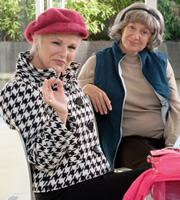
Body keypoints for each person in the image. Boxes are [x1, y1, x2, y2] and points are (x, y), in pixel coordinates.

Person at [0, 8, 147, 200]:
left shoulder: (65, 78)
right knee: (154, 180)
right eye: (56, 43)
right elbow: (43, 160)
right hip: (64, 190)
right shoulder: (18, 90)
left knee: (162, 176)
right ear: (36, 39)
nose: (64, 53)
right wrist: (61, 114)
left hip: (95, 179)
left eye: (71, 47)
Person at [77, 2, 180, 170]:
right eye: (132, 27)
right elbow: (71, 95)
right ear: (121, 28)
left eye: (144, 32)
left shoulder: (161, 63)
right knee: (158, 170)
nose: (136, 36)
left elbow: (175, 106)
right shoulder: (98, 61)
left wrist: (170, 144)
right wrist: (86, 89)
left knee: (171, 169)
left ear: (150, 38)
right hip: (124, 142)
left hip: (163, 142)